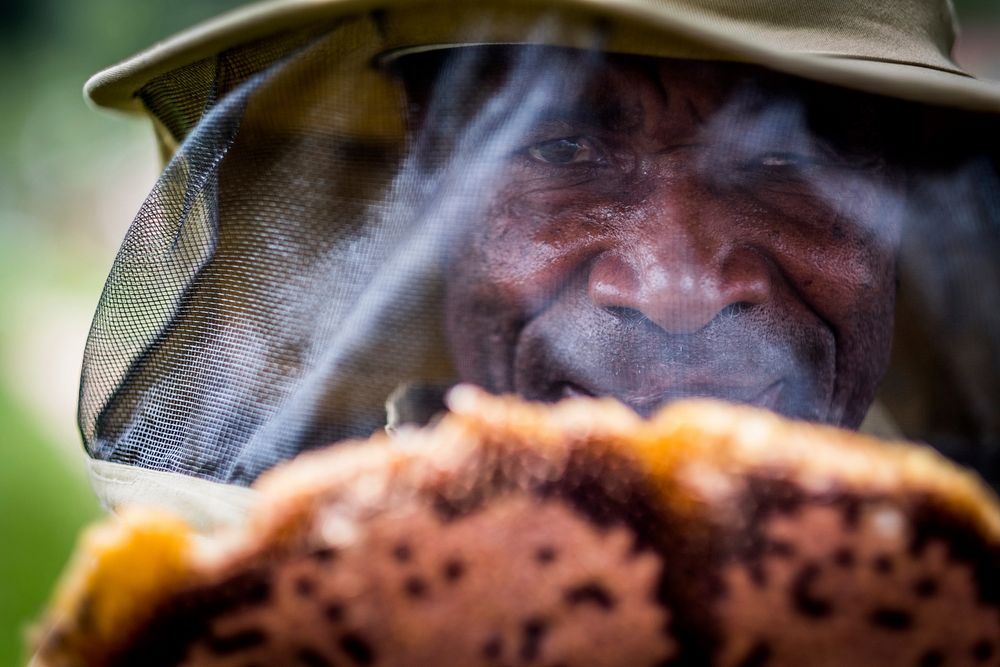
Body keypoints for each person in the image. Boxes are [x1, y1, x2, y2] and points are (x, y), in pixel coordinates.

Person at [80, 0, 1000, 527]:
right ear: (431, 171)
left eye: (789, 160)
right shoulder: (265, 624)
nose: (675, 287)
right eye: (562, 151)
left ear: (910, 192)